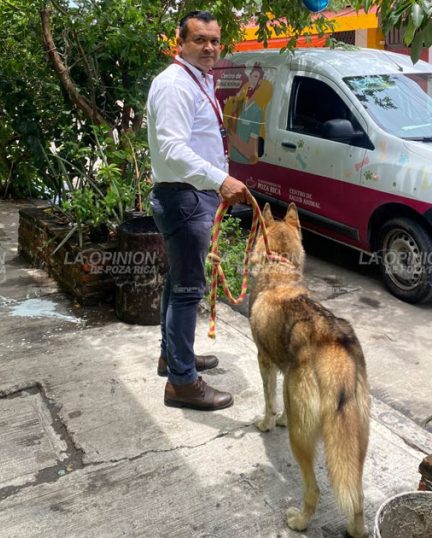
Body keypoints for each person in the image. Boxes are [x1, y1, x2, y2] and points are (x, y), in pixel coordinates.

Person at [146, 10, 249, 411]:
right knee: (188, 290)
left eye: (214, 41)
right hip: (184, 197)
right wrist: (219, 179)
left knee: (178, 284)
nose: (209, 48)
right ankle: (182, 384)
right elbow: (172, 148)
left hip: (192, 195)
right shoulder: (174, 85)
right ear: (181, 44)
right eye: (199, 40)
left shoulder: (197, 78)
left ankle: (174, 358)